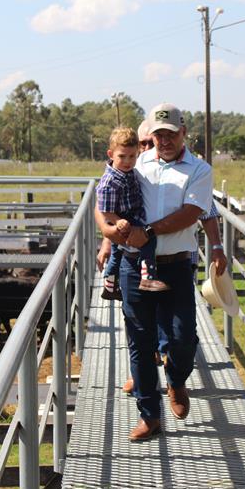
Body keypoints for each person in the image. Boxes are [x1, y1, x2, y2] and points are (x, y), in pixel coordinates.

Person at [96, 103, 217, 441]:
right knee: (140, 340)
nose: (163, 140)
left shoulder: (199, 170)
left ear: (183, 134)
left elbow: (193, 211)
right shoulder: (136, 161)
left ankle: (176, 379)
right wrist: (107, 233)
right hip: (135, 266)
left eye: (170, 134)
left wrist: (147, 231)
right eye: (158, 134)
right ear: (151, 135)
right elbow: (102, 199)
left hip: (176, 265)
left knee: (181, 338)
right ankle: (149, 414)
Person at [97, 127, 170, 296]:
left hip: (130, 215)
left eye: (132, 156)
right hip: (125, 218)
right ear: (111, 154)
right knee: (148, 240)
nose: (127, 161)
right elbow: (104, 210)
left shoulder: (127, 172)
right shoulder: (110, 181)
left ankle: (109, 287)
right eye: (122, 156)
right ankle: (148, 277)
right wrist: (116, 221)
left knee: (116, 253)